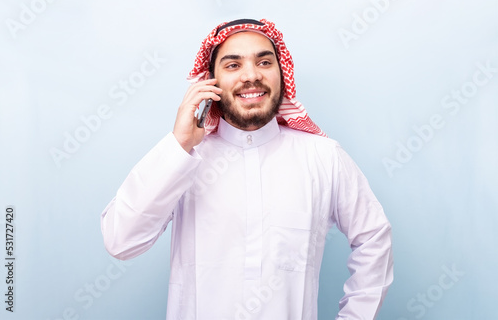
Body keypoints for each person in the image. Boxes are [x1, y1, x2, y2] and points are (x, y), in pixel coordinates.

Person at [101, 18, 393, 320]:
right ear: (209, 81)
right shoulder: (183, 158)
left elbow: (374, 236)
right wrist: (179, 144)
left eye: (264, 62)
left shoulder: (323, 158)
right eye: (232, 65)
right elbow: (120, 240)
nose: (251, 76)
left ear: (282, 74)